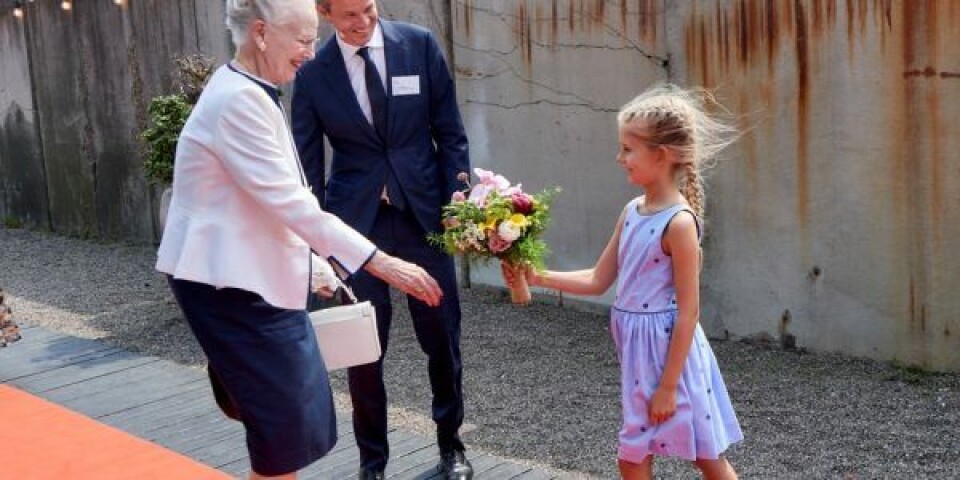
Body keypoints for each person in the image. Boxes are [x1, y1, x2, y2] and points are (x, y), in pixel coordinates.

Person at [156, 1, 444, 479]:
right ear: (263, 34)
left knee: (289, 428)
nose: (312, 54)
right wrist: (381, 262)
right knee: (283, 432)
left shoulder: (252, 89)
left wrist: (315, 267)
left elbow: (265, 203)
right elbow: (292, 204)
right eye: (305, 40)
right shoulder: (238, 100)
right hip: (231, 289)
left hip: (247, 280)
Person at [504, 84, 743, 480]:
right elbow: (599, 279)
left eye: (628, 149)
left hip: (671, 358)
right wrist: (536, 276)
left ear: (661, 155)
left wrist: (667, 386)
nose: (620, 158)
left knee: (704, 454)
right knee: (633, 457)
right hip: (637, 353)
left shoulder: (679, 223)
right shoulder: (632, 211)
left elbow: (689, 312)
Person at [291, 1, 472, 479]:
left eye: (369, 7)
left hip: (424, 219)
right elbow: (306, 166)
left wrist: (459, 199)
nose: (363, 20)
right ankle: (373, 465)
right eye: (350, 14)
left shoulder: (418, 44)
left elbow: (451, 131)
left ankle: (452, 449)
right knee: (364, 351)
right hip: (356, 228)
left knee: (442, 340)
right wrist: (317, 239)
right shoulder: (312, 74)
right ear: (325, 13)